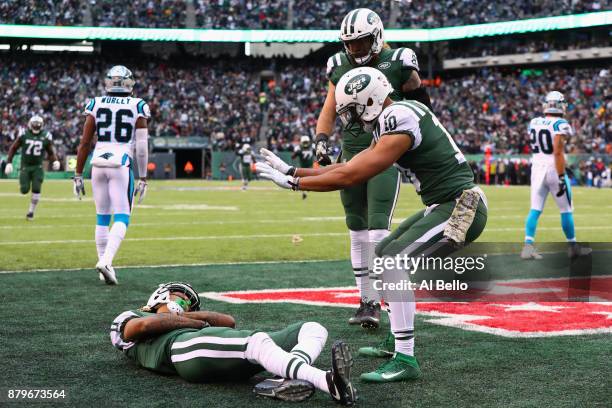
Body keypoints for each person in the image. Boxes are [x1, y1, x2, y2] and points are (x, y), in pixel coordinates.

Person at [257, 67, 487, 382]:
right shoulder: (399, 114)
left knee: (394, 261)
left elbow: (351, 176)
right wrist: (294, 171)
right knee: (383, 252)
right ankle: (397, 339)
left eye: (352, 110)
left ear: (369, 100)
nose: (351, 119)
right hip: (449, 205)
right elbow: (350, 165)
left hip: (463, 207)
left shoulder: (398, 118)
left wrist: (296, 184)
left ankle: (406, 358)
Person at [313, 8, 432, 329]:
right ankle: (367, 301)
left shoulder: (399, 60)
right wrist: (321, 139)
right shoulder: (338, 65)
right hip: (351, 153)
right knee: (356, 228)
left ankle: (391, 300)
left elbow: (422, 106)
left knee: (379, 229)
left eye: (362, 43)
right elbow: (328, 107)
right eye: (350, 44)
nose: (355, 50)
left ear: (377, 36)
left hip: (382, 154)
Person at [111, 282, 356, 405]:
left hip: (209, 346)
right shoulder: (134, 315)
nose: (185, 302)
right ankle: (327, 381)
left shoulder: (187, 320)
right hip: (179, 350)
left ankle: (287, 377)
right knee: (258, 342)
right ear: (158, 296)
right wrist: (190, 321)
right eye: (180, 296)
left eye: (191, 302)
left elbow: (228, 322)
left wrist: (186, 317)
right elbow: (139, 329)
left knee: (313, 328)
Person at [74, 65, 150, 285]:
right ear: (129, 83)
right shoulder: (138, 105)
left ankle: (103, 266)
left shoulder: (95, 103)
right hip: (121, 163)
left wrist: (78, 173)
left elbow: (85, 143)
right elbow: (142, 147)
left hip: (97, 163)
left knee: (102, 216)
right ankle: (106, 261)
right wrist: (143, 176)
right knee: (123, 215)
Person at [521, 91, 591, 260]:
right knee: (566, 209)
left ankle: (527, 247)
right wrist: (561, 176)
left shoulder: (534, 122)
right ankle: (573, 247)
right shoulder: (561, 124)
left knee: (535, 209)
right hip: (553, 168)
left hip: (537, 169)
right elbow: (558, 152)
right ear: (559, 105)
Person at [4, 115, 60, 220]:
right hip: (25, 166)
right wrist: (9, 162)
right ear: (30, 124)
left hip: (38, 167)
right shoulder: (24, 134)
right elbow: (13, 148)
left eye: (38, 124)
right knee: (24, 190)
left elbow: (50, 151)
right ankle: (29, 206)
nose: (36, 126)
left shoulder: (45, 136)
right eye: (34, 124)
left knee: (36, 188)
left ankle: (31, 212)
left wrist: (55, 160)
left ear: (41, 125)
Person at [291, 135, 315, 199]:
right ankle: (305, 192)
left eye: (306, 142)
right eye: (304, 142)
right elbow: (292, 157)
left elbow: (317, 154)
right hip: (302, 167)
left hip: (309, 167)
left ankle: (305, 191)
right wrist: (296, 153)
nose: (305, 144)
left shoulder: (312, 147)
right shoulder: (298, 148)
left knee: (308, 181)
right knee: (302, 181)